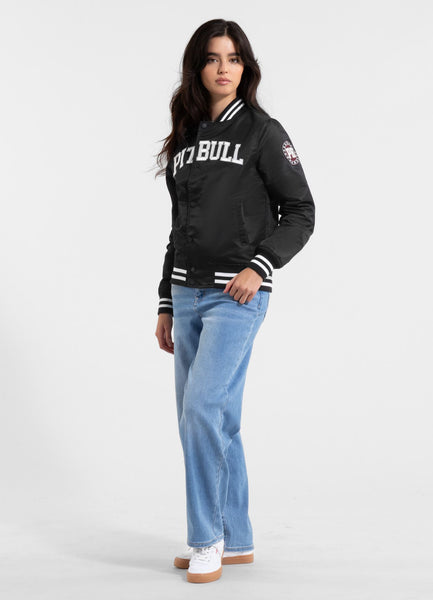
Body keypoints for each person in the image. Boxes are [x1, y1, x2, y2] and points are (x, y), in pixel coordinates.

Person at [154, 19, 315, 584]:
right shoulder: (186, 137)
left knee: (201, 410)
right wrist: (165, 301)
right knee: (210, 417)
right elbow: (178, 226)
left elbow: (301, 212)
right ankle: (237, 537)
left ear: (246, 67)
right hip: (186, 293)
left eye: (234, 58)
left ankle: (206, 540)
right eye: (212, 58)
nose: (224, 68)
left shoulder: (264, 132)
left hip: (235, 295)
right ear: (197, 67)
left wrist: (259, 265)